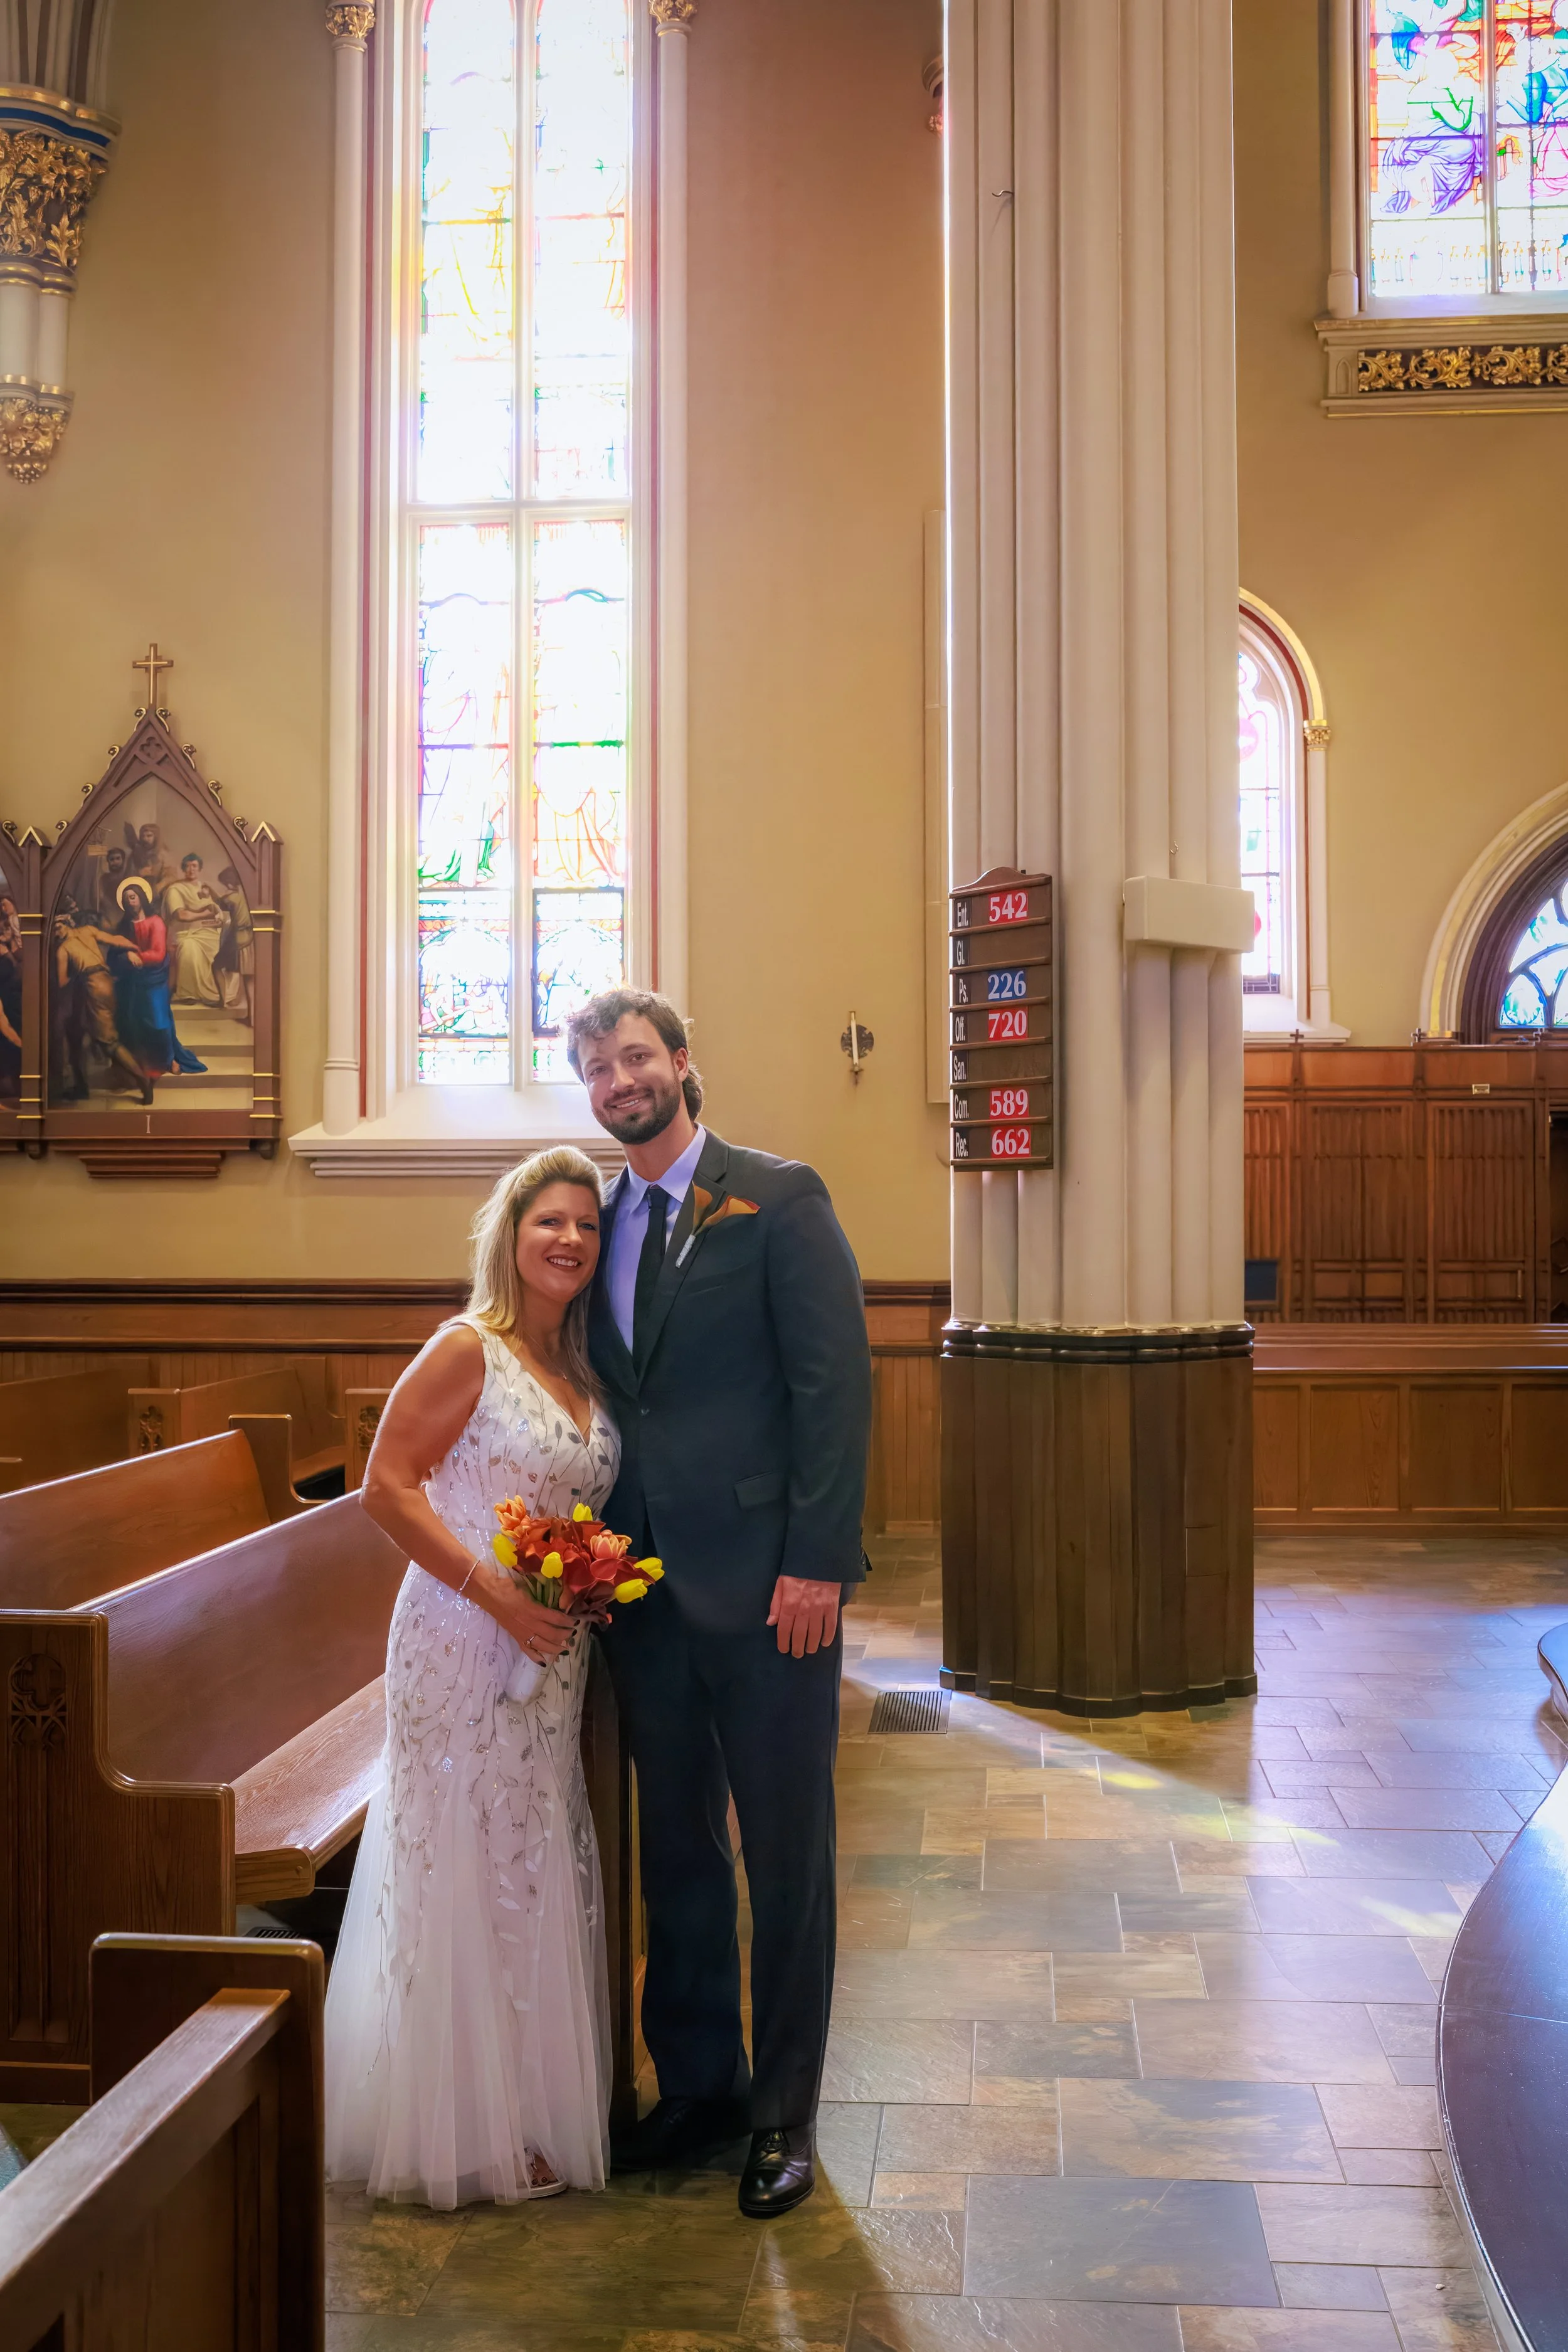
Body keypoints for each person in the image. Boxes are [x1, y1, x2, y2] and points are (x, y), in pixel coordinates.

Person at [566, 987, 872, 2220]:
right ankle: (697, 2084)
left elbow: (832, 1391)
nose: (615, 1080)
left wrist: (817, 1563)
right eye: (593, 1068)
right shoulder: (593, 1218)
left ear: (683, 1064)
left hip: (764, 1591)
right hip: (639, 1596)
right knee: (679, 1856)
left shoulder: (774, 1197)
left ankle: (781, 2116)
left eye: (633, 1057)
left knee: (784, 1857)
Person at [324, 1146, 621, 2208]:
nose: (570, 1240)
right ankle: (466, 2129)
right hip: (459, 1636)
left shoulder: (579, 1367)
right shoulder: (470, 1349)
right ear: (511, 1233)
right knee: (467, 1854)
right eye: (550, 1221)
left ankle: (530, 2107)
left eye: (587, 1225)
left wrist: (584, 1583)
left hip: (552, 1647)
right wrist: (494, 1593)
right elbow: (385, 1487)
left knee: (535, 1858)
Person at [111, 878, 208, 1079]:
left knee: (160, 1022)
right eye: (126, 899)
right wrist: (126, 955)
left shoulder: (156, 922)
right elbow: (114, 953)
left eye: (133, 897)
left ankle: (170, 1059)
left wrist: (136, 956)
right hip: (131, 981)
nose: (130, 902)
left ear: (142, 899)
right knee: (131, 1021)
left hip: (154, 980)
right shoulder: (123, 926)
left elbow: (158, 954)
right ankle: (140, 1064)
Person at [52, 909, 151, 1103]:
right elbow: (116, 940)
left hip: (93, 987)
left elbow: (62, 981)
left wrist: (78, 973)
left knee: (108, 1042)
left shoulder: (62, 950)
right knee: (74, 1036)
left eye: (59, 927)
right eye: (54, 930)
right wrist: (134, 947)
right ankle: (81, 1088)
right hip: (101, 984)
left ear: (67, 923)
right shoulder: (88, 931)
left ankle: (143, 1080)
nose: (57, 932)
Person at [162, 851, 225, 1005]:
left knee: (224, 949)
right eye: (188, 866)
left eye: (195, 866)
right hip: (185, 934)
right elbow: (181, 915)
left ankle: (219, 995)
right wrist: (206, 913)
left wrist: (218, 918)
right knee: (188, 948)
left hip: (210, 933)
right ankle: (187, 993)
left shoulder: (206, 889)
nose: (191, 869)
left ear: (200, 868)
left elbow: (219, 910)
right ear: (183, 868)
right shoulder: (176, 889)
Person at [213, 865, 254, 1024]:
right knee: (249, 979)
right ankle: (252, 1018)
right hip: (251, 940)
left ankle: (223, 1001)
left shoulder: (232, 897)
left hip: (238, 941)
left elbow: (218, 903)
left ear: (229, 884)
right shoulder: (248, 896)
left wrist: (208, 890)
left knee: (216, 965)